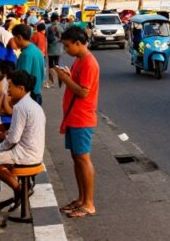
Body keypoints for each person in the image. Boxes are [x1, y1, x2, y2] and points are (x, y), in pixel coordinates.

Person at [0, 70, 45, 211]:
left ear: (21, 88)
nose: (8, 90)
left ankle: (19, 189)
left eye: (11, 86)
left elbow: (13, 139)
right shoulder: (32, 104)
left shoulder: (21, 107)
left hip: (26, 155)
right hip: (34, 152)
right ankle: (19, 190)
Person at [55, 26, 99, 218]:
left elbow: (83, 91)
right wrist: (68, 75)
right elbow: (79, 85)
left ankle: (89, 203)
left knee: (83, 158)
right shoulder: (79, 61)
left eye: (67, 46)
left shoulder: (89, 62)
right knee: (76, 158)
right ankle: (81, 199)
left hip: (82, 117)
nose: (66, 50)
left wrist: (65, 79)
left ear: (78, 43)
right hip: (74, 116)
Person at [12, 24, 46, 105]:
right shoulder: (36, 50)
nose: (14, 41)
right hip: (37, 93)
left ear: (19, 38)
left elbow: (22, 79)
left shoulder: (26, 54)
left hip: (29, 96)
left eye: (14, 38)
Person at [45, 14, 65, 89]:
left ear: (51, 19)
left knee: (50, 66)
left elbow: (46, 37)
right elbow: (64, 37)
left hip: (50, 50)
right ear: (58, 19)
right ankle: (60, 82)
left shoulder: (48, 27)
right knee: (58, 65)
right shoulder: (61, 27)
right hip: (59, 49)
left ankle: (51, 82)